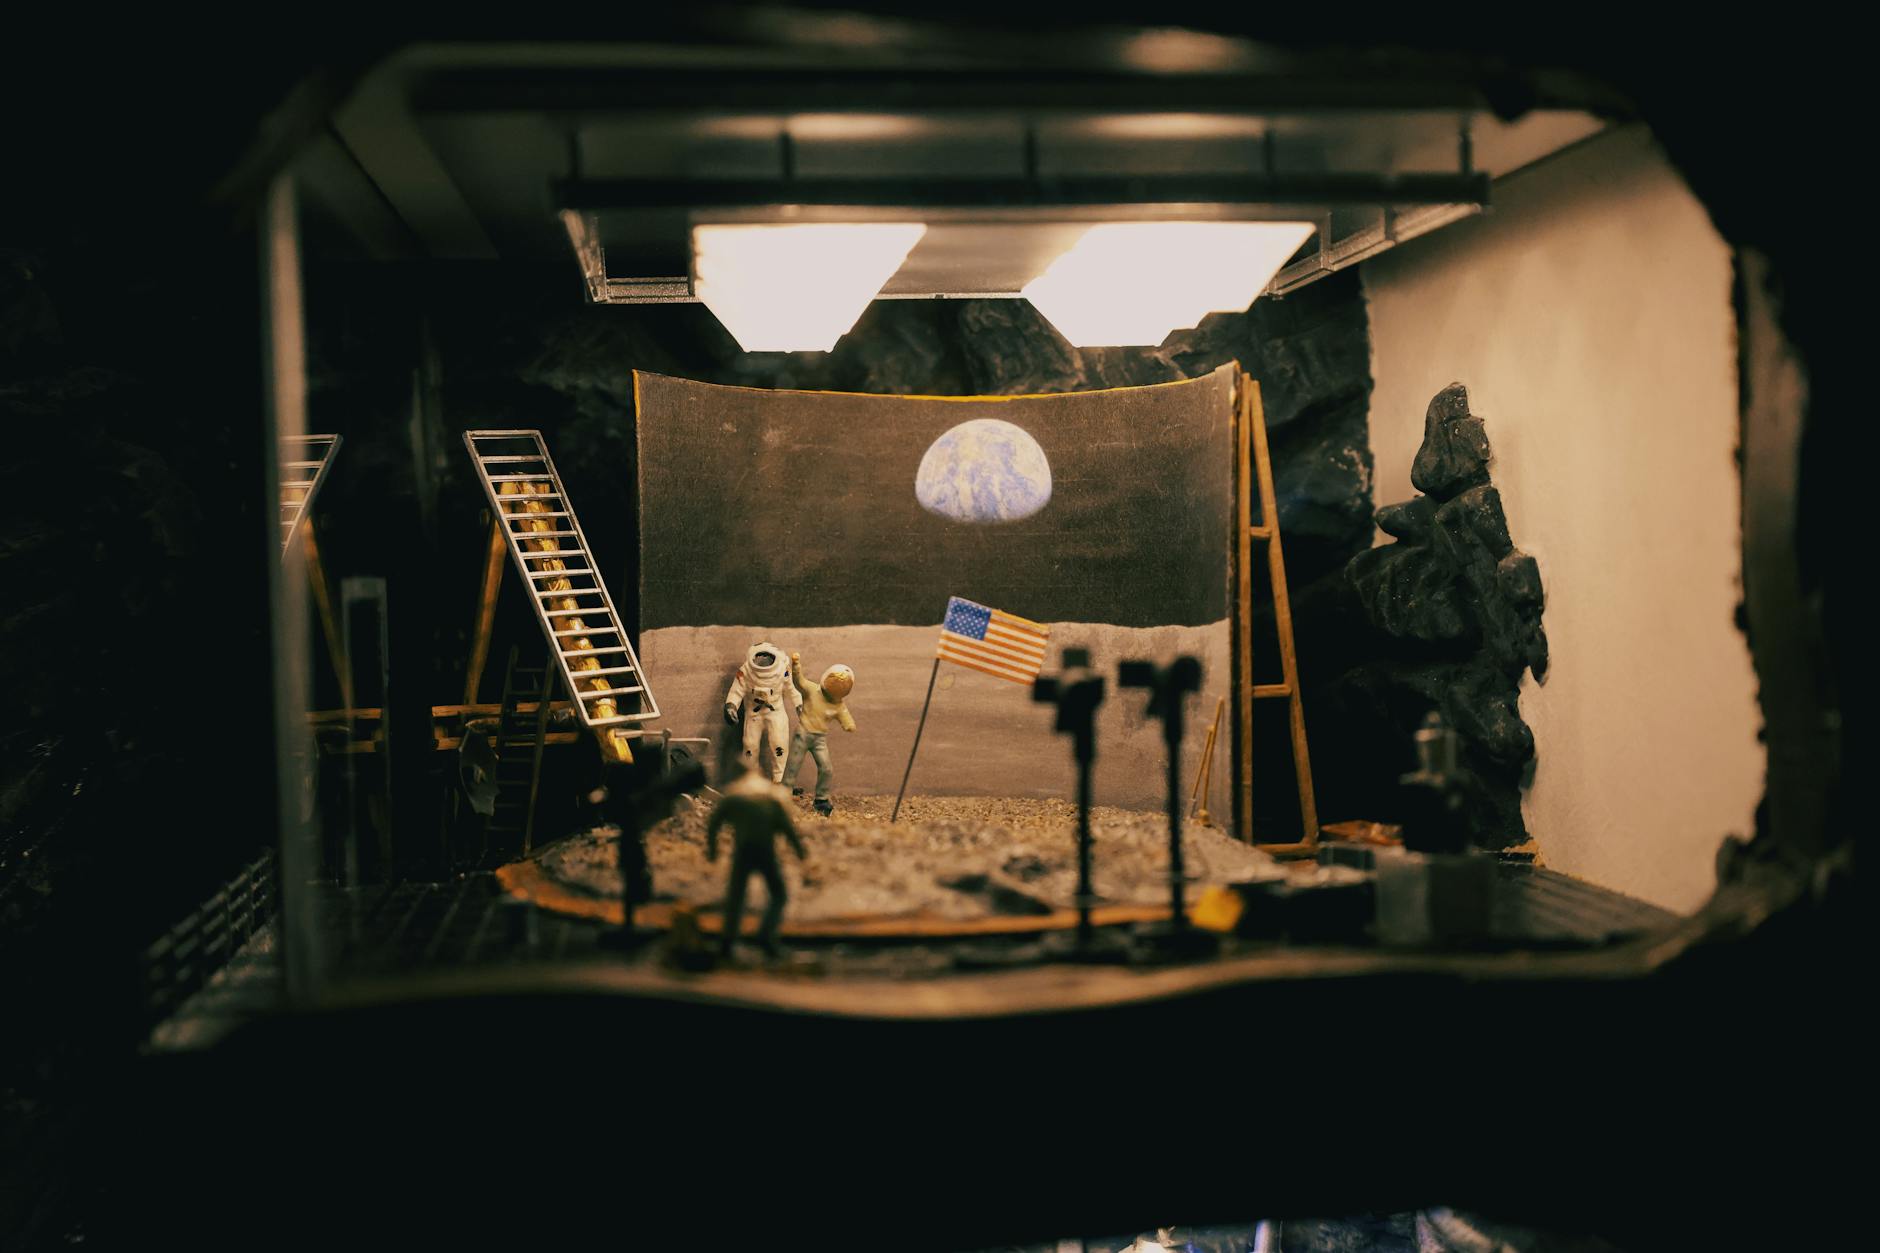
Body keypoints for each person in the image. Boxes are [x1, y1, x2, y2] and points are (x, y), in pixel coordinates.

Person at [706, 767, 807, 957]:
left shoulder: (734, 796)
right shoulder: (770, 797)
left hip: (743, 850)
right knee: (778, 894)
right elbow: (787, 828)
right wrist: (800, 853)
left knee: (736, 896)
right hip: (765, 850)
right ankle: (766, 935)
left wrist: (712, 850)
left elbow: (714, 824)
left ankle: (728, 940)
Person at [784, 652, 856, 816]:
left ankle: (821, 799)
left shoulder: (838, 704)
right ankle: (783, 795)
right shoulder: (812, 690)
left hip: (819, 739)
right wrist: (796, 666)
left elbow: (845, 717)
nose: (836, 687)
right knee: (793, 766)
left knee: (826, 768)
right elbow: (799, 682)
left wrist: (849, 725)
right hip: (803, 734)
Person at [723, 641, 800, 782]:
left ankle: (779, 780)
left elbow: (792, 690)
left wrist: (799, 706)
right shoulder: (746, 671)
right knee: (750, 746)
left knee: (779, 744)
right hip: (754, 714)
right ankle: (750, 779)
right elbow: (736, 692)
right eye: (760, 657)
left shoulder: (782, 669)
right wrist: (731, 706)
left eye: (767, 657)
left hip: (776, 712)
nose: (763, 660)